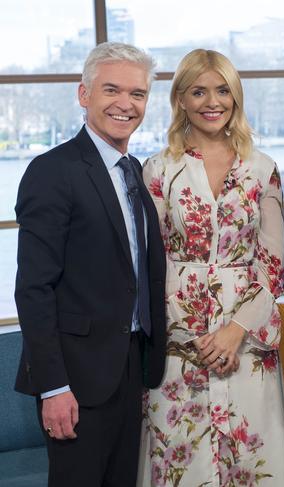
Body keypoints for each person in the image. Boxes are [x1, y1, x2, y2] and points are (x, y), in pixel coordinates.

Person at [14, 42, 167, 486]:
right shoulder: (52, 171)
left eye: (137, 94)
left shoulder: (134, 170)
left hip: (129, 367)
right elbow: (34, 290)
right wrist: (54, 387)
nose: (126, 104)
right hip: (75, 379)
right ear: (84, 95)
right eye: (111, 90)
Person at [138, 49, 284, 486]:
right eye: (199, 91)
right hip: (179, 345)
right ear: (181, 99)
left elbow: (272, 268)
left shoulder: (263, 169)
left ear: (236, 96)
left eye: (223, 90)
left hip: (247, 342)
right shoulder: (158, 170)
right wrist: (194, 334)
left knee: (253, 461)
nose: (213, 101)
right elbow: (152, 262)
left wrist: (234, 331)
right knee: (183, 466)